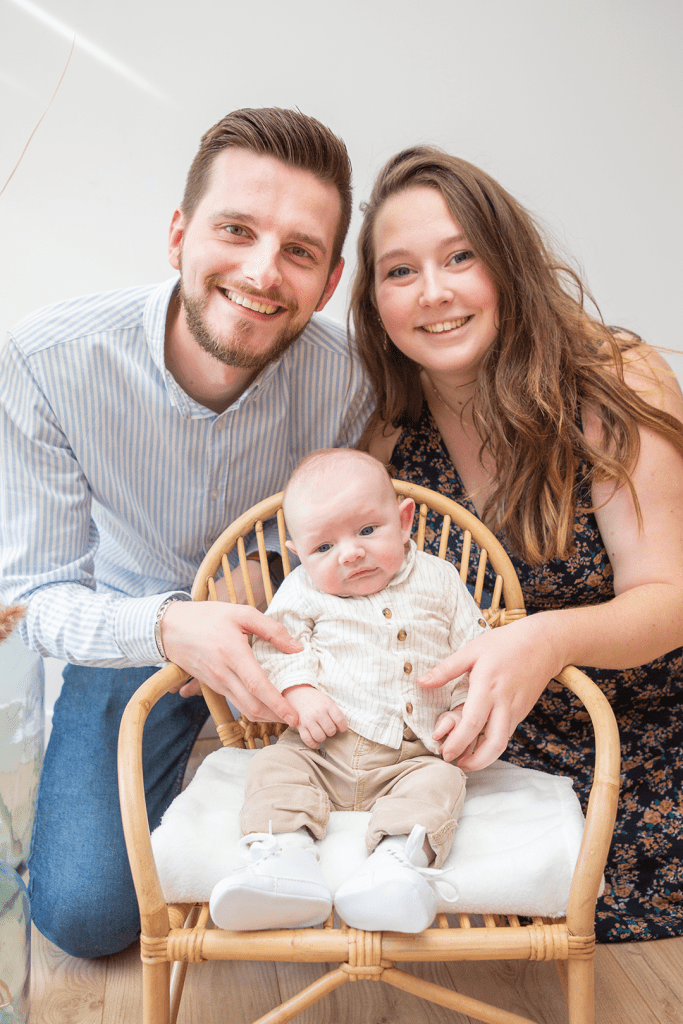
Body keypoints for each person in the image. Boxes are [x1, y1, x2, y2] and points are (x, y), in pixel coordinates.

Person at [0, 108, 374, 958]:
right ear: (178, 234)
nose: (261, 270)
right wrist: (170, 622)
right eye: (235, 230)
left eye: (298, 251)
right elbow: (28, 597)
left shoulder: (350, 381)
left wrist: (280, 577)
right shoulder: (45, 360)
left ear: (329, 278)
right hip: (135, 631)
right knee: (88, 916)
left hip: (296, 639)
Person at [349, 145, 683, 943]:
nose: (433, 292)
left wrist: (544, 640)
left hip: (638, 735)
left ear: (506, 262)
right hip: (483, 753)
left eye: (460, 256)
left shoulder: (610, 380)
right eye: (399, 271)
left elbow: (669, 600)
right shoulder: (390, 435)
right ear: (374, 300)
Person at [208, 448, 487, 933]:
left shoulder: (440, 580)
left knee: (442, 783)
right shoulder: (301, 590)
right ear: (299, 555)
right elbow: (273, 649)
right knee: (274, 766)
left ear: (403, 522)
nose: (350, 553)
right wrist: (298, 692)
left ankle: (398, 866)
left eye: (366, 531)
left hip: (413, 752)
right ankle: (283, 862)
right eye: (323, 548)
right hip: (321, 750)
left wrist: (464, 707)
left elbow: (475, 649)